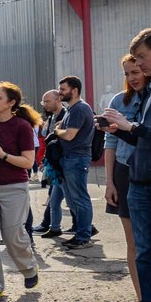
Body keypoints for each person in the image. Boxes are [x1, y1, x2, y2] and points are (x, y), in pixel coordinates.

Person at [101, 27, 151, 302]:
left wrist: (131, 127)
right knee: (144, 250)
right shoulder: (147, 94)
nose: (139, 67)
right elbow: (143, 139)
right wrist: (119, 131)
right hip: (139, 179)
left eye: (142, 58)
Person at [0, 83, 41, 302]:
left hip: (14, 188)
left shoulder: (22, 127)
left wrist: (2, 155)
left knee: (13, 236)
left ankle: (29, 267)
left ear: (11, 103)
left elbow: (28, 162)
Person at [105, 53, 146, 302]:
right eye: (127, 74)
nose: (131, 78)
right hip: (125, 172)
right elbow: (111, 142)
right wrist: (109, 182)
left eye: (136, 72)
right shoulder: (119, 100)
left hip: (149, 173)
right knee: (134, 243)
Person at [53, 75, 96, 249]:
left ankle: (84, 236)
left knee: (79, 198)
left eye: (63, 89)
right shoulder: (73, 108)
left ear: (75, 90)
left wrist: (57, 131)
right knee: (73, 199)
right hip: (71, 158)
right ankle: (83, 231)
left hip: (76, 158)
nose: (59, 92)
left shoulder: (79, 109)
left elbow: (70, 135)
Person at [35, 88, 67, 237]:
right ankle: (52, 226)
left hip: (64, 163)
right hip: (53, 163)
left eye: (47, 101)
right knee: (54, 198)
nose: (44, 104)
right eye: (43, 101)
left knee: (73, 198)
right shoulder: (51, 117)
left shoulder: (66, 116)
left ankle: (85, 228)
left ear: (58, 100)